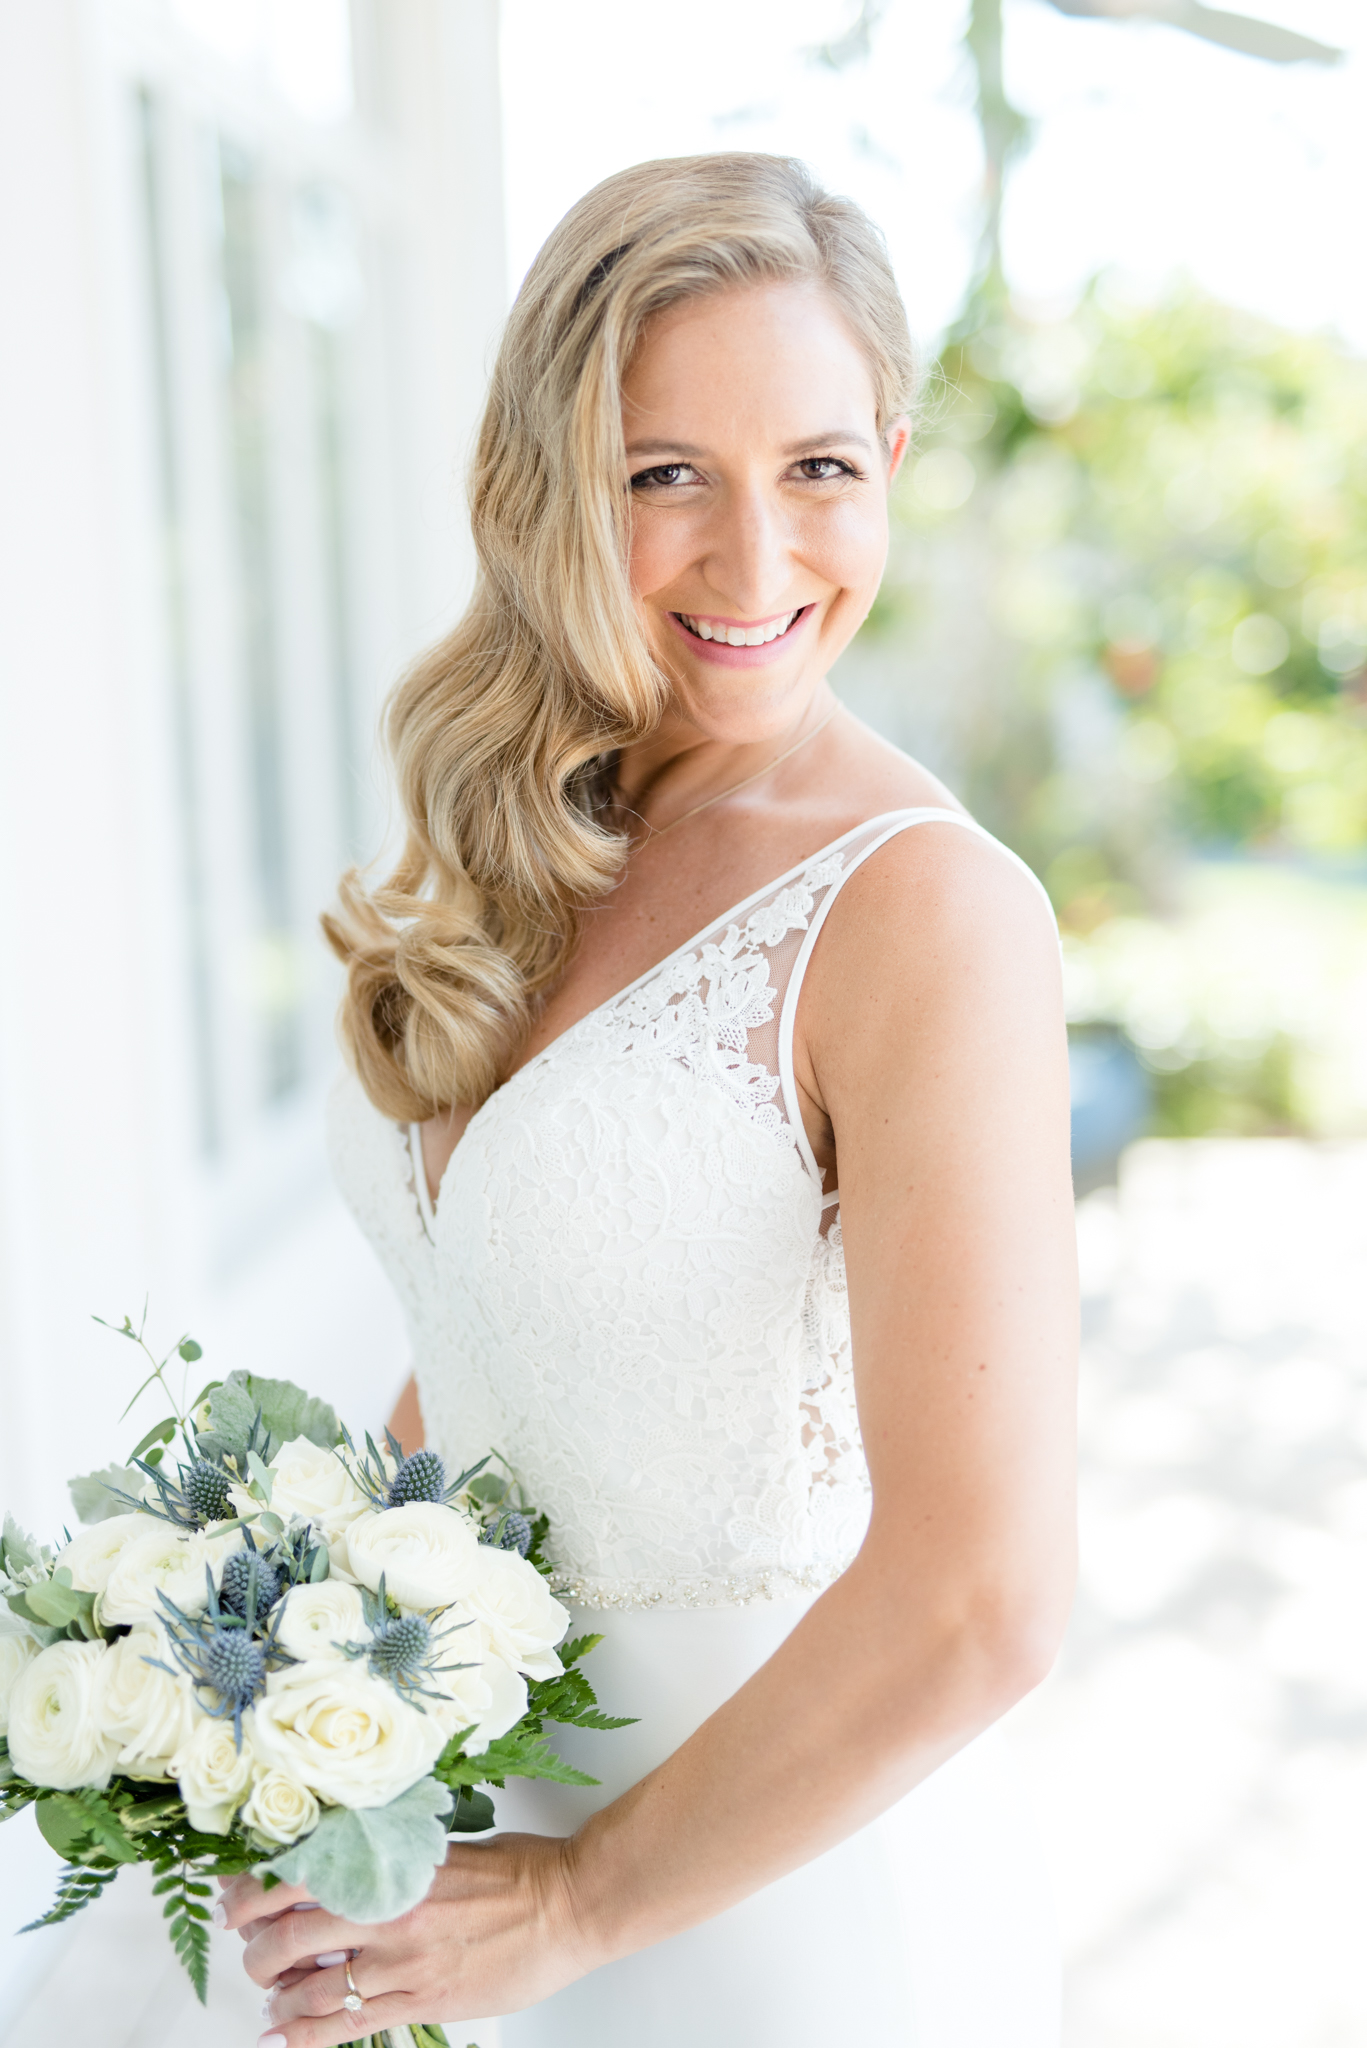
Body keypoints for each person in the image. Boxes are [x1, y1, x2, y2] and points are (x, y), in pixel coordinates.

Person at [222, 152, 1077, 2048]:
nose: (755, 564)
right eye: (664, 473)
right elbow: (491, 1334)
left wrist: (580, 1906)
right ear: (547, 490)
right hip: (468, 1882)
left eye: (819, 471)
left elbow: (987, 1596)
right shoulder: (531, 828)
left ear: (894, 466)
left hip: (768, 1911)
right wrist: (261, 1688)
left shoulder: (925, 914)